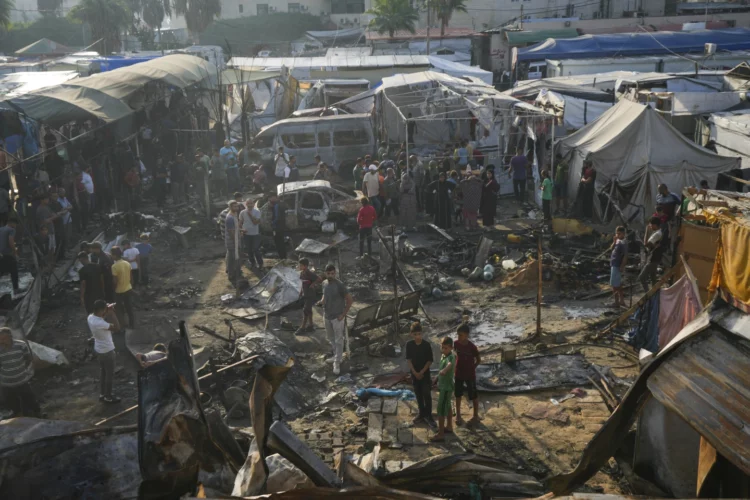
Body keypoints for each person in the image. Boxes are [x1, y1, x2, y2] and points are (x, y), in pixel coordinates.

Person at [317, 265, 353, 376]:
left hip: (337, 317)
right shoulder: (324, 283)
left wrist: (343, 315)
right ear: (325, 273)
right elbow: (324, 297)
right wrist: (321, 302)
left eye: (333, 273)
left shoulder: (340, 285)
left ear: (335, 273)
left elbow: (350, 300)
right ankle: (336, 356)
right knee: (330, 338)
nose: (331, 275)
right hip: (327, 315)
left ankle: (337, 362)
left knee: (338, 340)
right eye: (329, 273)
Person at [0, 328, 40, 417]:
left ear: (10, 337)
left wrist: (26, 370)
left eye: (4, 339)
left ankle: (36, 412)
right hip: (6, 382)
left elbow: (28, 358)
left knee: (29, 397)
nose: (1, 341)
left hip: (21, 379)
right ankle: (17, 413)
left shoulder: (21, 345)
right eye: (0, 339)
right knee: (11, 400)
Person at [87, 300, 121, 403]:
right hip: (107, 351)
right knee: (109, 374)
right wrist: (112, 313)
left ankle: (102, 394)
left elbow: (100, 317)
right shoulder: (100, 323)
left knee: (103, 372)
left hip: (99, 350)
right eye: (105, 309)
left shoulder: (90, 317)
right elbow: (117, 328)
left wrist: (106, 310)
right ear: (101, 310)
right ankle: (108, 396)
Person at [405, 322, 434, 427]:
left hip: (425, 374)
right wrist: (414, 372)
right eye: (415, 334)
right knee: (418, 394)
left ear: (422, 333)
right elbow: (409, 360)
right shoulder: (409, 345)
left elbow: (430, 360)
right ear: (411, 334)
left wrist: (421, 372)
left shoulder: (426, 345)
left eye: (419, 334)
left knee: (427, 394)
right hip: (414, 374)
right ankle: (421, 413)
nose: (417, 336)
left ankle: (429, 415)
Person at [454, 324, 481, 427]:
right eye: (458, 335)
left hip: (470, 375)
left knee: (473, 395)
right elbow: (452, 354)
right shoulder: (455, 344)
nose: (458, 337)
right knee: (458, 395)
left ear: (466, 335)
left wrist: (472, 368)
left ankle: (475, 416)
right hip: (459, 373)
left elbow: (478, 360)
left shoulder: (472, 347)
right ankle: (458, 415)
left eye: (460, 335)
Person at [431, 336, 455, 442]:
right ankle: (449, 426)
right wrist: (437, 377)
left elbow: (449, 365)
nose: (444, 350)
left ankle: (441, 434)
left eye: (446, 348)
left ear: (451, 348)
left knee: (440, 409)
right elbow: (441, 369)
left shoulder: (451, 357)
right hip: (443, 385)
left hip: (447, 387)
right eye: (442, 347)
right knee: (448, 405)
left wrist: (445, 370)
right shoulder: (443, 356)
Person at [111, 246, 135, 330]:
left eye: (112, 255)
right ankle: (132, 325)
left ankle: (123, 326)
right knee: (129, 308)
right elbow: (131, 277)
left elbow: (115, 281)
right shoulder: (127, 263)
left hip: (119, 291)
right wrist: (130, 286)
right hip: (128, 288)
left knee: (119, 310)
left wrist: (113, 290)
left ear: (114, 255)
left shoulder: (114, 266)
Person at [639, 217, 665, 293]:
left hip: (653, 259)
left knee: (642, 277)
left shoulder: (657, 234)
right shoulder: (658, 233)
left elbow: (646, 244)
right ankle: (654, 294)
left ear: (655, 225)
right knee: (653, 278)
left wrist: (647, 230)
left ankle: (648, 294)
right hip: (654, 258)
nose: (650, 226)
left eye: (651, 225)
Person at [296, 258, 321, 335]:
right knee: (308, 310)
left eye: (301, 265)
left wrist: (313, 284)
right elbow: (302, 284)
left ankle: (302, 327)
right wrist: (300, 292)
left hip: (310, 295)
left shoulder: (309, 273)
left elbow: (319, 278)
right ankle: (311, 325)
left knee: (305, 310)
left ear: (305, 266)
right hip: (305, 294)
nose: (299, 266)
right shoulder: (302, 273)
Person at [240, 198, 263, 268]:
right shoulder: (242, 212)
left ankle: (260, 263)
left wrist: (250, 215)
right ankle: (252, 262)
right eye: (248, 203)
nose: (250, 205)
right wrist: (241, 230)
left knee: (256, 249)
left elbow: (255, 222)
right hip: (246, 234)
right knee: (249, 250)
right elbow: (240, 222)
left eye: (251, 203)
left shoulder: (257, 212)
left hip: (255, 234)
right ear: (246, 204)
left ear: (253, 204)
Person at [609, 226, 628, 308]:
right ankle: (621, 301)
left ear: (623, 234)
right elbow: (611, 248)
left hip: (617, 265)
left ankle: (616, 302)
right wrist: (614, 241)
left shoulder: (623, 242)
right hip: (613, 264)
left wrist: (622, 266)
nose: (617, 235)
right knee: (618, 284)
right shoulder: (618, 241)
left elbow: (625, 256)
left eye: (619, 233)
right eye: (616, 233)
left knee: (614, 285)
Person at [0, 218, 20, 294]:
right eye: (15, 225)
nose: (15, 226)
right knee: (14, 272)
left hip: (1, 254)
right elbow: (11, 241)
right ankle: (16, 289)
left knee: (1, 271)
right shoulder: (11, 230)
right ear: (12, 223)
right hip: (8, 254)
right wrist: (15, 254)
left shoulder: (1, 229)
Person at [225, 201, 242, 284]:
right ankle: (232, 274)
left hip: (234, 240)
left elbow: (235, 228)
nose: (236, 208)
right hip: (232, 241)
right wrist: (236, 242)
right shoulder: (230, 218)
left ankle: (233, 273)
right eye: (234, 207)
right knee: (232, 259)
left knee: (232, 258)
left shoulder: (234, 215)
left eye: (237, 206)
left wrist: (241, 230)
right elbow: (231, 232)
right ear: (230, 207)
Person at [270, 193, 287, 260]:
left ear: (275, 197)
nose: (270, 199)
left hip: (277, 227)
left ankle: (282, 257)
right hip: (282, 226)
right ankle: (284, 257)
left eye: (271, 197)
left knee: (278, 243)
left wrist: (272, 223)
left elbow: (277, 217)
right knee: (281, 242)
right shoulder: (282, 204)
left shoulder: (276, 205)